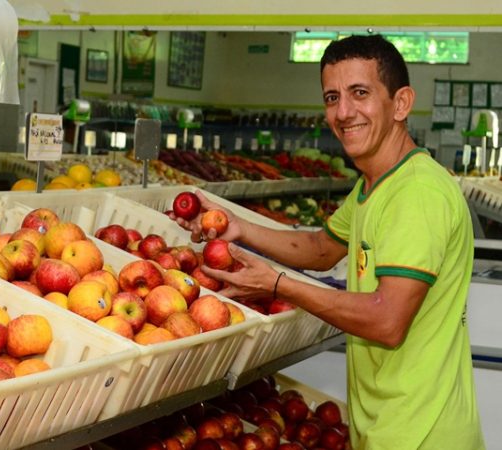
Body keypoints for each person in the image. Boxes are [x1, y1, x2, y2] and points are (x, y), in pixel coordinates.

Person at [173, 35, 485, 449]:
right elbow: (320, 249)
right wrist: (240, 229)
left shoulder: (418, 193)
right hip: (390, 427)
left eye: (360, 93)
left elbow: (387, 321)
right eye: (332, 97)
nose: (343, 112)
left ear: (402, 103)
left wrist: (278, 285)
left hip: (423, 434)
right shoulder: (374, 186)